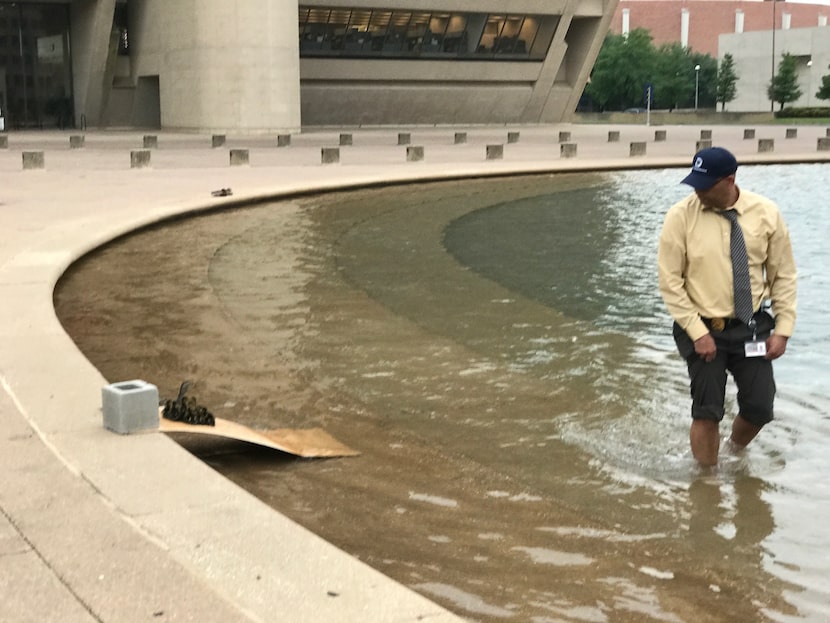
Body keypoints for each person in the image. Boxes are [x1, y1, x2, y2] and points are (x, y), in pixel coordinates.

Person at [658, 146, 797, 466]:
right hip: (702, 329)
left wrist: (784, 329)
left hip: (751, 327)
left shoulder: (767, 214)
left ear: (730, 180)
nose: (698, 191)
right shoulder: (680, 217)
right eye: (694, 183)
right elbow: (670, 282)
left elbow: (783, 276)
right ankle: (706, 482)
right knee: (707, 410)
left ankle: (733, 451)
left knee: (760, 407)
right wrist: (696, 332)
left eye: (705, 185)